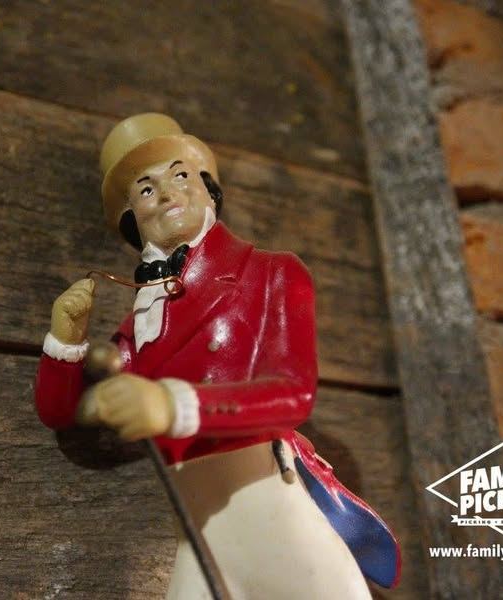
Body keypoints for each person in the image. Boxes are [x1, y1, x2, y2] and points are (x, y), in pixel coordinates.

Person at [34, 113, 400, 599]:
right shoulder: (143, 320)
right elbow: (62, 412)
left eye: (180, 175)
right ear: (131, 218)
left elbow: (294, 394)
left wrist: (173, 405)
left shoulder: (271, 272)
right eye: (146, 189)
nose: (167, 194)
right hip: (198, 531)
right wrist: (66, 342)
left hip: (270, 511)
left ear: (210, 191)